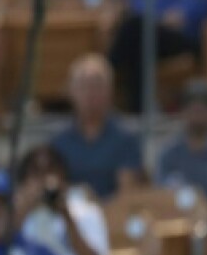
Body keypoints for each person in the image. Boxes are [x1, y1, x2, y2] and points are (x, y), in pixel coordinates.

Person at [14, 145, 109, 255]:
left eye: (50, 170)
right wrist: (25, 209)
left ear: (62, 175)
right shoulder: (14, 215)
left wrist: (66, 215)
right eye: (36, 172)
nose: (44, 179)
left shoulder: (85, 211)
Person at [50, 55, 144, 201]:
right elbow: (55, 188)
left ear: (110, 91)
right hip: (70, 216)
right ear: (71, 92)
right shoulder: (58, 142)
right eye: (83, 86)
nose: (90, 94)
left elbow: (127, 195)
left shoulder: (126, 139)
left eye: (96, 86)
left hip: (113, 218)